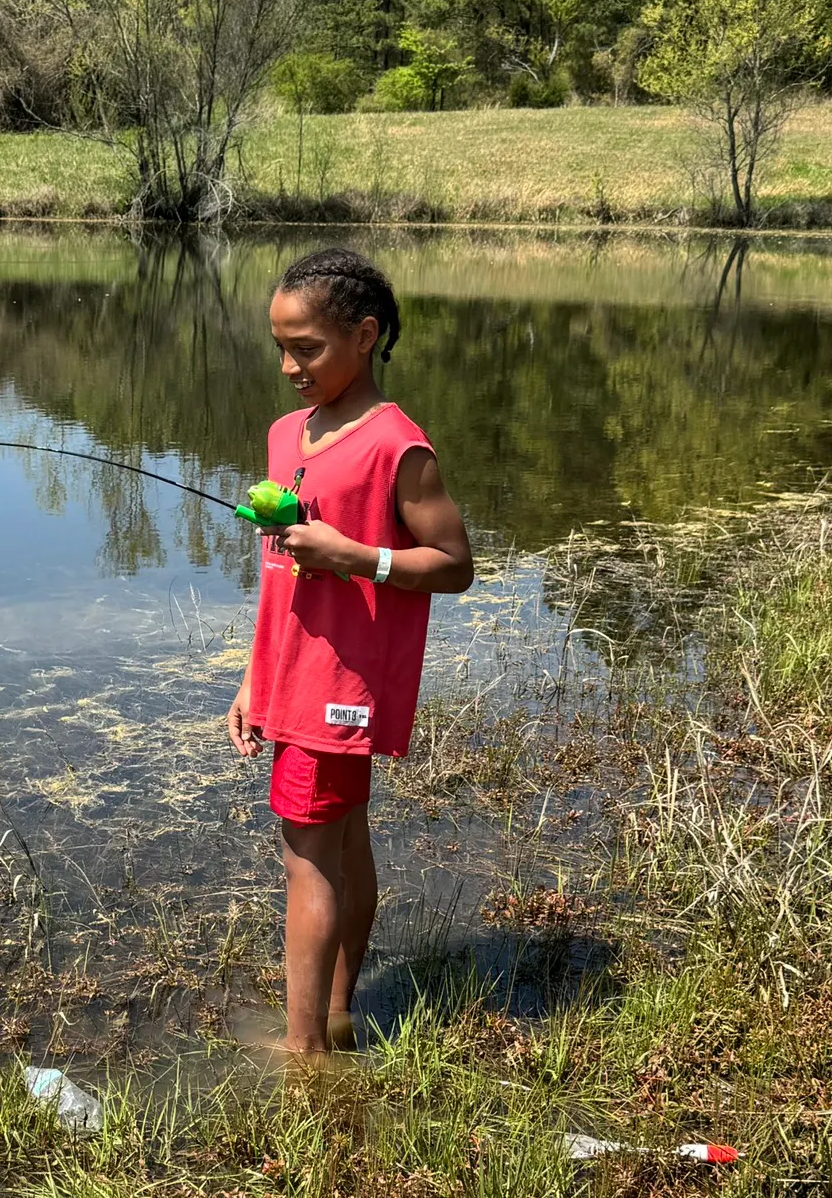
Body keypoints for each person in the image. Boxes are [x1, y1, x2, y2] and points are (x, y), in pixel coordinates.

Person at [225, 247, 474, 1056]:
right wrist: (251, 680)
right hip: (288, 678)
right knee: (344, 839)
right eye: (280, 346)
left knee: (308, 860)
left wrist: (359, 556)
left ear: (365, 336)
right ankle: (335, 1015)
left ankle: (303, 1056)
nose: (289, 365)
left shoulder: (398, 447)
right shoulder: (284, 434)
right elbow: (279, 578)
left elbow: (456, 565)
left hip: (340, 686)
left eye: (308, 348)